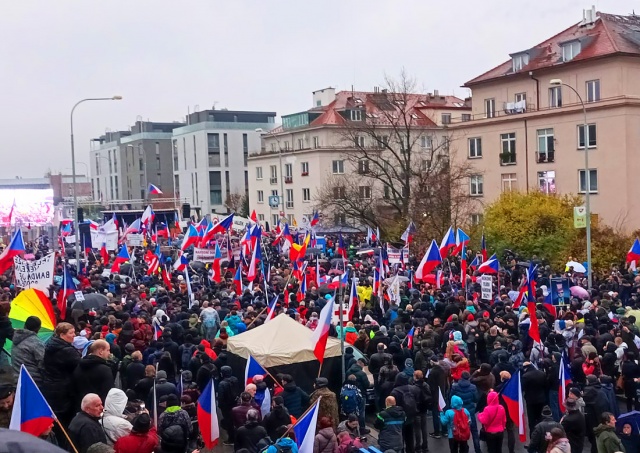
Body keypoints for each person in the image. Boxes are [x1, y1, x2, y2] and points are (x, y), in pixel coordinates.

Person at [41, 322, 81, 424]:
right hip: (63, 390)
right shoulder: (67, 351)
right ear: (62, 335)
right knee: (65, 419)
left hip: (51, 386)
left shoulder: (50, 345)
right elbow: (80, 365)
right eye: (71, 333)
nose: (74, 335)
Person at [73, 339, 115, 408]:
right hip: (97, 409)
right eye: (108, 350)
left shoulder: (79, 366)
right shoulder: (105, 370)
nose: (109, 353)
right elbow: (108, 393)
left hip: (81, 407)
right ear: (101, 351)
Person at [391, 372, 424, 453]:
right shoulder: (413, 388)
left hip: (399, 419)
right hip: (411, 417)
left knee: (400, 438)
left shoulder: (395, 392)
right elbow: (418, 400)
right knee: (410, 438)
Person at [450, 371, 480, 453]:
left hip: (458, 412)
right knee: (474, 431)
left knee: (459, 430)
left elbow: (450, 397)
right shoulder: (473, 387)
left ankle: (462, 448)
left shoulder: (455, 387)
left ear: (461, 377)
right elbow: (476, 399)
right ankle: (478, 450)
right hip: (470, 411)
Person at [10, 315, 45, 385]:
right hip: (33, 381)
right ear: (38, 328)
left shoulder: (16, 338)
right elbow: (42, 363)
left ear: (25, 325)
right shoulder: (36, 342)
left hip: (17, 378)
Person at [413, 369, 432, 453]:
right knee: (424, 428)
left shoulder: (413, 387)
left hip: (417, 410)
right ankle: (425, 446)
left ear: (415, 377)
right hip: (424, 409)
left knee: (417, 429)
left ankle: (418, 446)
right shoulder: (426, 385)